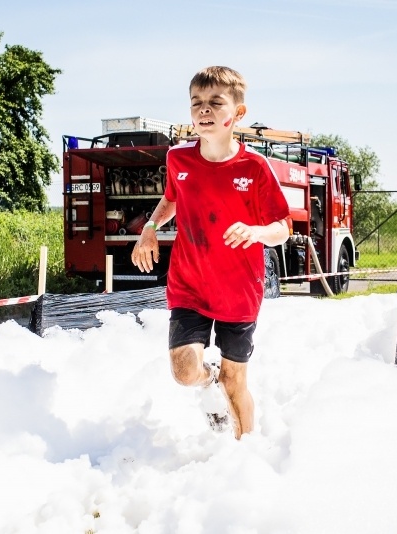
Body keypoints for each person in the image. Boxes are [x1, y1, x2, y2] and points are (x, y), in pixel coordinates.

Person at [131, 66, 291, 439]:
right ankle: (209, 385)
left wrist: (254, 231)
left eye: (215, 103)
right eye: (196, 103)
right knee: (184, 371)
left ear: (237, 113)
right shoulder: (178, 159)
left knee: (236, 382)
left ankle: (246, 451)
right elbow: (171, 199)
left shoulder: (254, 167)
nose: (203, 110)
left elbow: (283, 229)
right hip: (189, 285)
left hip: (239, 292)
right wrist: (150, 230)